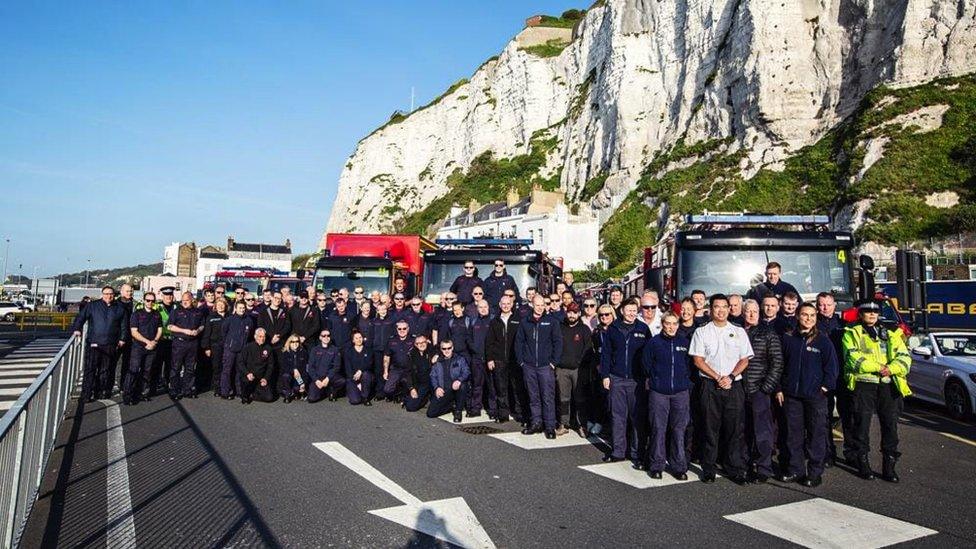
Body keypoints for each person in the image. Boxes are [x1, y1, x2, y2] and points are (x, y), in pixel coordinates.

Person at [842, 299, 911, 482]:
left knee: (890, 426)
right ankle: (863, 463)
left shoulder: (891, 332)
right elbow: (852, 358)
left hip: (888, 384)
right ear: (861, 314)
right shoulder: (852, 332)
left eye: (875, 312)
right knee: (861, 425)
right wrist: (879, 367)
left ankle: (889, 466)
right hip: (864, 384)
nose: (872, 315)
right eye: (867, 312)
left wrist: (892, 369)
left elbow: (904, 356)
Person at [689, 294, 753, 484]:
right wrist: (717, 377)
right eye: (717, 307)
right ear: (711, 309)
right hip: (710, 385)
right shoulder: (702, 332)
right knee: (710, 428)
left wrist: (731, 376)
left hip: (733, 385)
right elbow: (697, 360)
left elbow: (745, 358)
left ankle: (734, 468)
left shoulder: (739, 331)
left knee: (734, 429)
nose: (721, 310)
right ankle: (709, 468)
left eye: (725, 307)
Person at [776, 302, 839, 487]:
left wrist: (825, 388)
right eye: (804, 315)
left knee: (815, 435)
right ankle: (795, 469)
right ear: (797, 316)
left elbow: (832, 368)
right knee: (792, 435)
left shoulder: (823, 341)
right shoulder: (788, 339)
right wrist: (779, 388)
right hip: (792, 396)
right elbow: (780, 366)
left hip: (815, 396)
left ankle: (814, 472)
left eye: (812, 315)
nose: (808, 319)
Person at [643, 312, 692, 480]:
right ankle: (657, 465)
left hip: (680, 392)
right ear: (662, 324)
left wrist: (684, 382)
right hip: (659, 393)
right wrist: (657, 380)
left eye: (674, 324)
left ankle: (679, 466)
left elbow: (689, 365)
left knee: (679, 430)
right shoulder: (654, 343)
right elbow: (646, 364)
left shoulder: (684, 342)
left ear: (678, 325)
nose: (671, 327)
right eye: (668, 323)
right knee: (658, 429)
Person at [600, 301, 650, 464]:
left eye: (634, 311)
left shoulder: (643, 329)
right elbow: (606, 354)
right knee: (618, 416)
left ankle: (637, 453)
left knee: (637, 418)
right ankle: (618, 451)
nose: (631, 313)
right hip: (617, 378)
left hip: (637, 380)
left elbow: (649, 355)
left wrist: (648, 376)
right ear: (622, 310)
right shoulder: (613, 329)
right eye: (628, 310)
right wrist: (605, 375)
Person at [741, 298, 783, 483]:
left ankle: (763, 468)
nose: (751, 314)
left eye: (754, 311)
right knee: (742, 430)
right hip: (740, 388)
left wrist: (767, 387)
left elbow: (777, 362)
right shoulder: (737, 332)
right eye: (748, 311)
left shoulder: (768, 333)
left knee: (762, 432)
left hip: (759, 389)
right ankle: (745, 464)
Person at [515, 295, 562, 438]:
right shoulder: (525, 322)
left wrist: (553, 362)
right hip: (529, 366)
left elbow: (558, 342)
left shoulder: (552, 322)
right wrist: (521, 362)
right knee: (533, 397)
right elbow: (519, 343)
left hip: (545, 367)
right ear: (532, 305)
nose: (540, 308)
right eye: (537, 305)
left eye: (543, 305)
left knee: (548, 397)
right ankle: (536, 423)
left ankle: (549, 426)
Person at [816, 292, 848, 466]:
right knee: (825, 418)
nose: (825, 308)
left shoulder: (844, 325)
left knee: (848, 416)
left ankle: (852, 452)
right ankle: (829, 453)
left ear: (834, 306)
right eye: (821, 304)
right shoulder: (814, 326)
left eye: (828, 304)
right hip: (823, 378)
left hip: (842, 377)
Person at [557, 302, 592, 437]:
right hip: (562, 369)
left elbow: (587, 349)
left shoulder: (584, 329)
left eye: (575, 312)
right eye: (570, 312)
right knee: (563, 398)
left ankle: (581, 425)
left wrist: (580, 363)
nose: (572, 315)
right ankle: (564, 424)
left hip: (578, 369)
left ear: (579, 314)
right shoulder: (560, 327)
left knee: (580, 399)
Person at [485, 295, 521, 424]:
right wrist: (490, 359)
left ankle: (519, 413)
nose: (506, 306)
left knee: (517, 388)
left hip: (515, 360)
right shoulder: (494, 321)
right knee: (501, 389)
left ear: (512, 304)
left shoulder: (518, 320)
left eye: (508, 303)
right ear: (500, 305)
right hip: (499, 360)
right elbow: (489, 343)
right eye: (503, 304)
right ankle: (503, 414)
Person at [167, 291, 206, 400]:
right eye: (183, 300)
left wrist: (197, 331)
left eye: (187, 300)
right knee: (176, 368)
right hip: (179, 343)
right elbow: (170, 326)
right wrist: (184, 331)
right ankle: (174, 390)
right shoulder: (176, 312)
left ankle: (187, 389)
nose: (184, 302)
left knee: (190, 368)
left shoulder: (198, 312)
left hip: (193, 343)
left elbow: (202, 325)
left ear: (192, 300)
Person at [124, 292, 161, 405]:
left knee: (147, 371)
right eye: (148, 300)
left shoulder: (157, 314)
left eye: (152, 301)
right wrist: (147, 342)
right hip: (138, 347)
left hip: (152, 347)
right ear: (144, 301)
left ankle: (143, 393)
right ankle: (128, 395)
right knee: (133, 370)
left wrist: (154, 341)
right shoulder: (137, 314)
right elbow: (134, 332)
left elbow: (160, 330)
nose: (150, 303)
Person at [427, 339, 471, 422]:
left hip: (456, 389)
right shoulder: (438, 361)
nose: (447, 350)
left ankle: (458, 411)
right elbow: (433, 376)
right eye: (444, 349)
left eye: (449, 348)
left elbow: (467, 372)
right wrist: (436, 388)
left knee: (463, 386)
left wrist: (459, 380)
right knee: (431, 413)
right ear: (441, 349)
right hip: (444, 390)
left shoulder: (459, 359)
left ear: (452, 348)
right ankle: (451, 406)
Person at [220, 301, 255, 399]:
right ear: (235, 308)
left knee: (240, 371)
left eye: (243, 308)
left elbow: (250, 334)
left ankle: (239, 391)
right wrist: (228, 344)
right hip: (230, 349)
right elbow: (224, 332)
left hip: (242, 350)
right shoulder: (229, 319)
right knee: (227, 370)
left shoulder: (249, 320)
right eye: (240, 308)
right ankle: (225, 391)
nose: (242, 310)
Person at [468, 300, 494, 418]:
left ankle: (493, 409)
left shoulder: (493, 320)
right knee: (477, 384)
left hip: (490, 358)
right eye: (480, 307)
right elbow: (468, 338)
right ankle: (475, 408)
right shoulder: (473, 321)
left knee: (492, 386)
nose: (483, 309)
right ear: (477, 309)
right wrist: (474, 348)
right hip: (477, 357)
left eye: (485, 307)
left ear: (488, 307)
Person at [238, 328, 276, 404]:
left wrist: (265, 378)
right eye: (260, 336)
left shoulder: (268, 348)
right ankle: (245, 394)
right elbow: (240, 362)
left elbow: (270, 365)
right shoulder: (248, 347)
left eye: (263, 337)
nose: (262, 339)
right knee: (245, 396)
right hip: (249, 376)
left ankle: (253, 394)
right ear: (255, 336)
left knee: (269, 398)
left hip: (261, 378)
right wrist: (247, 373)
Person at [307, 329, 345, 402]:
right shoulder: (314, 350)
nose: (326, 337)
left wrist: (328, 378)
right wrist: (316, 380)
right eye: (323, 336)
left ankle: (331, 390)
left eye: (328, 335)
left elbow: (336, 367)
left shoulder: (335, 350)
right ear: (320, 337)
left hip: (330, 377)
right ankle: (323, 391)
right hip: (318, 378)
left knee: (342, 381)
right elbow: (310, 367)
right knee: (312, 399)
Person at [201, 298, 229, 397]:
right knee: (216, 367)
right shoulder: (211, 317)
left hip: (227, 346)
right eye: (218, 305)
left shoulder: (229, 317)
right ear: (215, 306)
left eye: (222, 304)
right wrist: (207, 347)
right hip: (215, 346)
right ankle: (217, 388)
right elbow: (206, 334)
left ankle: (224, 386)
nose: (221, 306)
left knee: (225, 367)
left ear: (226, 306)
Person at [381, 321, 414, 401]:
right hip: (396, 369)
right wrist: (385, 371)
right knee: (387, 390)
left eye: (404, 328)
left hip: (409, 369)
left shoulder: (414, 340)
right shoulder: (391, 340)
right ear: (396, 329)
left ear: (408, 329)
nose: (402, 330)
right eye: (399, 329)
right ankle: (398, 392)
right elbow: (386, 357)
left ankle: (404, 393)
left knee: (410, 386)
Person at [404, 335, 435, 412]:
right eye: (418, 343)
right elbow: (408, 373)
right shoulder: (411, 355)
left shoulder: (432, 351)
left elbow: (441, 349)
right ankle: (424, 399)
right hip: (420, 384)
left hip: (434, 383)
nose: (421, 344)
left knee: (435, 408)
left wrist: (437, 355)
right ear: (415, 345)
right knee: (410, 407)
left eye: (423, 342)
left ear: (427, 342)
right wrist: (411, 388)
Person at [115, 283, 135, 396]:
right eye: (127, 291)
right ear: (121, 291)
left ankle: (123, 385)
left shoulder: (136, 304)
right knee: (112, 363)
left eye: (131, 291)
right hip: (117, 338)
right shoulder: (115, 304)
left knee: (127, 364)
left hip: (131, 339)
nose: (129, 293)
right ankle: (106, 386)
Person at [343, 331, 374, 405]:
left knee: (366, 374)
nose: (359, 340)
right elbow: (348, 369)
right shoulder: (348, 352)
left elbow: (369, 364)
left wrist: (360, 371)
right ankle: (353, 390)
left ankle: (365, 397)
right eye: (356, 338)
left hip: (365, 377)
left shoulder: (368, 350)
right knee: (355, 401)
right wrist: (357, 383)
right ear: (353, 340)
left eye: (360, 337)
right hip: (353, 378)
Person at [257, 291, 291, 356]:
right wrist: (272, 336)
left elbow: (287, 326)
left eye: (279, 298)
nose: (277, 300)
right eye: (276, 298)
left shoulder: (285, 311)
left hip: (280, 342)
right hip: (267, 341)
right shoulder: (263, 312)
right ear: (271, 298)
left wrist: (279, 336)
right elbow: (261, 326)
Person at [370, 303, 396, 386]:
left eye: (384, 309)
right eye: (380, 309)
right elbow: (371, 335)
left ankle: (388, 390)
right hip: (377, 349)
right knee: (378, 370)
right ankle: (379, 392)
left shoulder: (391, 320)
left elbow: (394, 334)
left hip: (388, 349)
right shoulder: (374, 321)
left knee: (389, 369)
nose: (383, 311)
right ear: (377, 311)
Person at [279, 335, 309, 402]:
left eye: (297, 341)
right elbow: (284, 368)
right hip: (288, 377)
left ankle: (295, 392)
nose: (295, 343)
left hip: (299, 377)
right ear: (289, 343)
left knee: (297, 388)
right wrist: (294, 369)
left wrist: (303, 383)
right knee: (285, 376)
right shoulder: (285, 353)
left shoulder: (304, 352)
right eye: (292, 342)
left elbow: (306, 369)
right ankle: (287, 394)